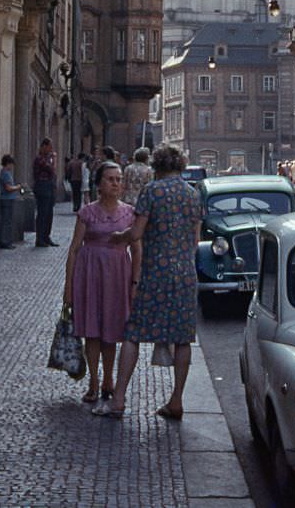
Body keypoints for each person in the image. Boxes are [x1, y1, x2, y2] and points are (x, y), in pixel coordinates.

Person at [96, 144, 202, 419]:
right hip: (185, 274)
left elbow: (137, 233)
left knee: (134, 333)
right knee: (182, 339)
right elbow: (195, 239)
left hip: (155, 272)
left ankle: (118, 400)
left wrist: (121, 236)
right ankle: (176, 401)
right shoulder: (193, 194)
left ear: (157, 166)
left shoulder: (152, 191)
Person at [63, 161, 141, 402]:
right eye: (110, 179)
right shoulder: (87, 212)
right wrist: (68, 286)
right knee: (92, 330)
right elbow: (75, 249)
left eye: (118, 179)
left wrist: (135, 283)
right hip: (90, 273)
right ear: (99, 184)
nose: (116, 183)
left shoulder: (129, 213)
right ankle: (94, 383)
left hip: (118, 274)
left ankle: (109, 379)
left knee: (112, 328)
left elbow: (137, 249)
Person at [33, 137, 58, 247]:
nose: (51, 149)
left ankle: (46, 236)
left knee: (49, 213)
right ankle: (40, 238)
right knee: (42, 213)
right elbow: (51, 170)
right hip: (42, 186)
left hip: (49, 186)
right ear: (44, 146)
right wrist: (54, 160)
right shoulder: (40, 159)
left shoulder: (47, 158)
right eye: (49, 147)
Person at [0, 154, 21, 249]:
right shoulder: (5, 173)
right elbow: (8, 188)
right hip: (7, 200)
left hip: (8, 199)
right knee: (6, 222)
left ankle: (6, 241)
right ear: (8, 164)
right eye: (11, 164)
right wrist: (17, 187)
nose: (12, 166)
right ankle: (5, 241)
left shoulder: (6, 173)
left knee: (7, 221)